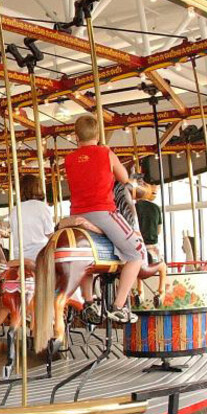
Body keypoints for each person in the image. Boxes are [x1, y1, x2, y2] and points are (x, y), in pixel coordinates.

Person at [65, 115, 145, 324]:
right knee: (137, 252)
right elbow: (124, 179)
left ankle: (89, 300)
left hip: (76, 215)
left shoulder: (69, 159)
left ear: (76, 136)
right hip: (102, 212)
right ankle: (119, 306)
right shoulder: (106, 153)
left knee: (84, 260)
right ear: (98, 135)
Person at [9, 174, 55, 262]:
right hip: (39, 255)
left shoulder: (14, 210)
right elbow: (50, 234)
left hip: (19, 257)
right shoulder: (42, 207)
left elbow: (13, 231)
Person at [135, 180, 163, 264]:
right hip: (153, 245)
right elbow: (158, 231)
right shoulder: (156, 208)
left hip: (139, 244)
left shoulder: (134, 207)